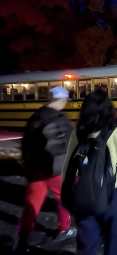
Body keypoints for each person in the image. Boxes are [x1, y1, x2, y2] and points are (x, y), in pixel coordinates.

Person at [62, 89, 117, 255]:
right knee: (113, 242)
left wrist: (66, 194)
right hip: (113, 195)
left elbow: (68, 165)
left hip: (85, 192)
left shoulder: (79, 131)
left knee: (86, 246)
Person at [14, 87, 74, 252]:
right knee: (63, 199)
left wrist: (27, 165)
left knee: (31, 204)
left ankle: (21, 239)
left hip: (36, 170)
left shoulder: (35, 117)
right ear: (61, 100)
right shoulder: (62, 119)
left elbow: (25, 144)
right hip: (57, 171)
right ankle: (64, 229)